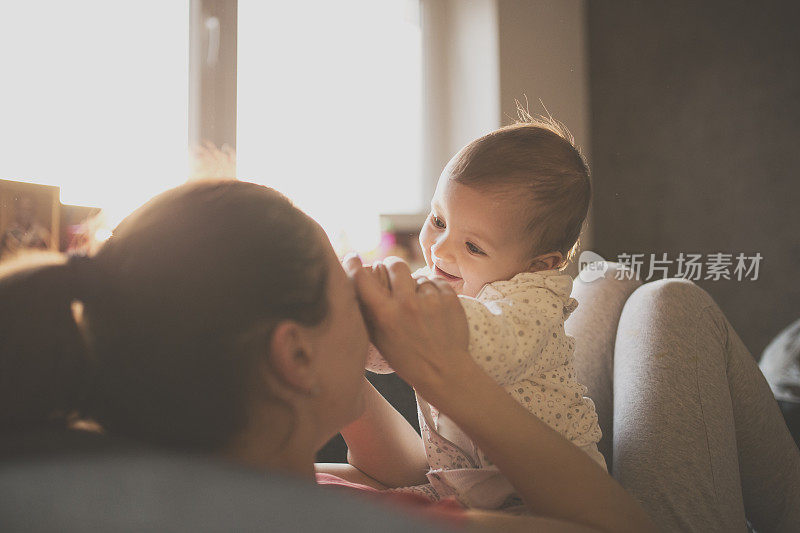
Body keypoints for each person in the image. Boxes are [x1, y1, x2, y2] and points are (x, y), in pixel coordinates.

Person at [0, 180, 655, 532]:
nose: (362, 285)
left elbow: (403, 470)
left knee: (616, 292)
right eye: (342, 288)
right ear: (293, 354)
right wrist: (445, 369)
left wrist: (339, 362)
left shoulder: (267, 478)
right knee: (660, 305)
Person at [358, 116, 605, 511]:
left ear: (541, 263)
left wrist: (410, 310)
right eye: (438, 221)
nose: (440, 249)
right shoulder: (437, 281)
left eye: (473, 247)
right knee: (373, 509)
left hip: (551, 492)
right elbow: (389, 359)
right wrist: (360, 323)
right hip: (461, 484)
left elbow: (496, 349)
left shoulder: (535, 297)